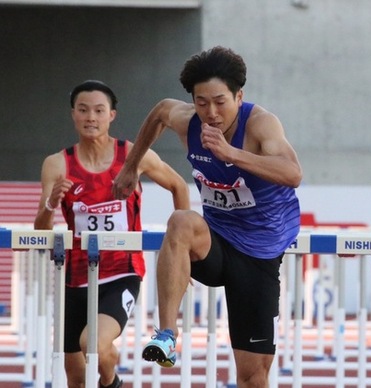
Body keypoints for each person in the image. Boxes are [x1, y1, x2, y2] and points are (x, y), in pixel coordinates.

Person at [112, 46, 302, 387]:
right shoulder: (189, 120)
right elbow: (160, 112)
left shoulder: (260, 125)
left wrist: (231, 153)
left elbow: (293, 173)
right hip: (215, 242)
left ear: (238, 96)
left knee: (253, 375)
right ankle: (167, 335)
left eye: (220, 101)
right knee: (181, 221)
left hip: (258, 254)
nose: (211, 112)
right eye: (202, 102)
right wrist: (130, 168)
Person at [34, 80, 190, 388]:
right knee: (77, 378)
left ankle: (113, 382)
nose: (91, 117)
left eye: (98, 110)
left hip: (121, 272)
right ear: (73, 115)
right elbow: (41, 230)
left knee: (93, 344)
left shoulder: (131, 155)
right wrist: (52, 202)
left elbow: (179, 186)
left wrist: (183, 244)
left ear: (112, 116)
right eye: (83, 110)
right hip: (75, 277)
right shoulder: (57, 164)